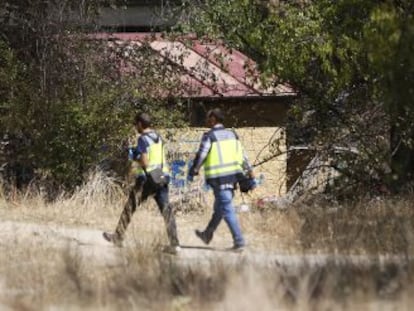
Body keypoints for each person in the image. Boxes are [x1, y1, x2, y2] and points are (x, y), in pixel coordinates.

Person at [103, 112, 180, 253]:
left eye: (135, 124)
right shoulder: (158, 137)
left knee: (130, 206)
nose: (135, 127)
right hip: (162, 176)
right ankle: (175, 245)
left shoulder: (143, 140)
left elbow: (144, 160)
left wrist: (134, 156)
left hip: (147, 178)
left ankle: (118, 237)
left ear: (140, 124)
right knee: (166, 211)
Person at [187, 108, 255, 251]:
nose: (206, 121)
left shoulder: (209, 136)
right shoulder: (232, 134)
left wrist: (194, 170)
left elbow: (202, 155)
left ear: (213, 119)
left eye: (208, 118)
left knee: (227, 209)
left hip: (219, 178)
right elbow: (243, 155)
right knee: (220, 209)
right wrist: (250, 171)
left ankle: (239, 242)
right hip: (234, 177)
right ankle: (207, 234)